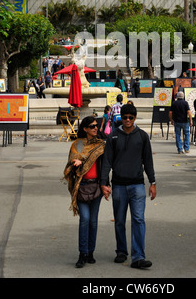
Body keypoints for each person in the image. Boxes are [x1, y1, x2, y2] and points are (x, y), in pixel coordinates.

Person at [100, 104, 156, 269]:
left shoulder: (142, 136)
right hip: (118, 186)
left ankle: (138, 256)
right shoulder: (113, 137)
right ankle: (121, 251)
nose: (128, 120)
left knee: (138, 220)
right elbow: (107, 161)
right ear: (120, 118)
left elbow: (148, 161)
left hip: (137, 184)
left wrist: (153, 183)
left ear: (135, 118)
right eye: (125, 118)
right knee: (119, 221)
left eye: (131, 118)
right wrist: (104, 183)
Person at [63, 116, 106, 268]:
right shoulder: (78, 144)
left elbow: (106, 166)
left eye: (96, 126)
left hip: (96, 188)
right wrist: (76, 163)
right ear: (85, 129)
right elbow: (72, 161)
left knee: (93, 222)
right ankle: (82, 253)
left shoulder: (101, 145)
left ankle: (90, 252)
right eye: (92, 126)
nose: (95, 128)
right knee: (85, 219)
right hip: (81, 187)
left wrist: (105, 185)